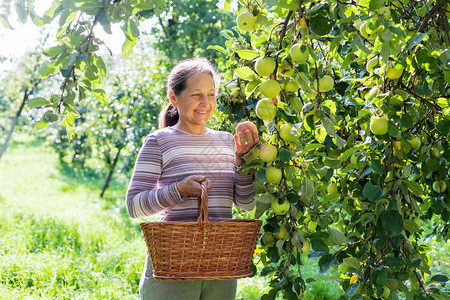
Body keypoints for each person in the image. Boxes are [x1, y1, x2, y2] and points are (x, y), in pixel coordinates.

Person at [125, 57, 260, 300]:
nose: (205, 103)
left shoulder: (228, 141)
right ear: (173, 98)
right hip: (174, 265)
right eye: (197, 94)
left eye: (211, 94)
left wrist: (243, 162)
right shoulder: (159, 141)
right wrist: (179, 189)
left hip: (221, 265)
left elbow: (246, 204)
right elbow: (134, 205)